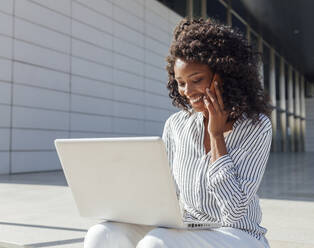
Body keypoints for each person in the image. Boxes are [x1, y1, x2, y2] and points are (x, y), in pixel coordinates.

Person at [84, 17, 272, 248]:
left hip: (238, 234)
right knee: (101, 234)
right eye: (181, 82)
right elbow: (166, 194)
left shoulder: (256, 126)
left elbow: (233, 212)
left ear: (223, 75)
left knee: (156, 244)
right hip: (187, 228)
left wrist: (216, 136)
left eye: (196, 80)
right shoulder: (176, 125)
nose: (187, 91)